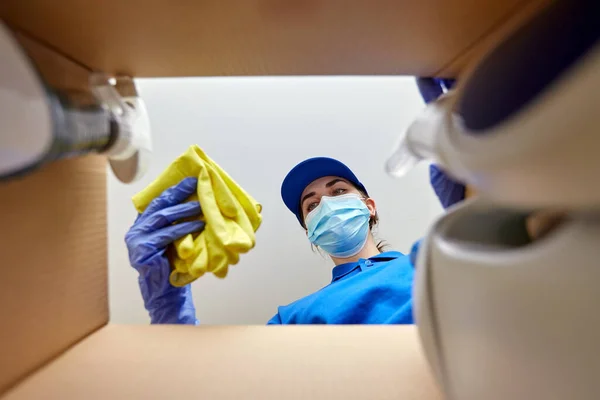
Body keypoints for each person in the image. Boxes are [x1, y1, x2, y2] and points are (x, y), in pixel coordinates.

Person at [125, 157, 417, 325]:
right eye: (312, 205)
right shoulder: (291, 318)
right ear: (310, 231)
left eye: (338, 192)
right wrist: (171, 311)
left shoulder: (426, 264)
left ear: (369, 206)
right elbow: (224, 382)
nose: (326, 205)